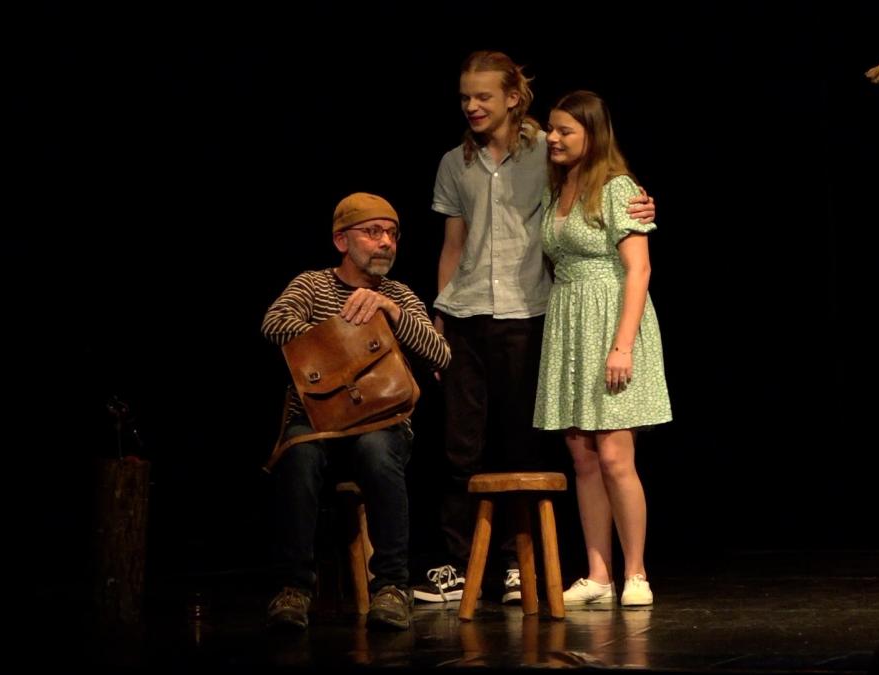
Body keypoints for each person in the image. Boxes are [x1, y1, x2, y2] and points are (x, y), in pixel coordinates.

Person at [415, 51, 656, 606]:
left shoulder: (546, 153)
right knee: (464, 446)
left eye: (483, 96)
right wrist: (440, 312)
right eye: (464, 98)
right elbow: (452, 246)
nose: (472, 106)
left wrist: (639, 202)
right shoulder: (459, 163)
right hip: (478, 314)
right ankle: (461, 563)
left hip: (537, 315)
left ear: (512, 99)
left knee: (531, 445)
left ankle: (523, 563)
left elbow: (604, 188)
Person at [261, 192, 451, 631]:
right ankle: (294, 588)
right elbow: (274, 323)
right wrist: (342, 338)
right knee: (300, 454)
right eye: (373, 232)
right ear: (342, 241)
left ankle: (391, 585)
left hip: (381, 421)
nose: (385, 242)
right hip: (319, 423)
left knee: (376, 450)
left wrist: (390, 312)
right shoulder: (312, 285)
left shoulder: (398, 293)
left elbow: (441, 355)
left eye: (392, 233)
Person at [533, 91, 671, 608]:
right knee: (583, 457)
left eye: (565, 130)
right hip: (569, 323)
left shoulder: (617, 189)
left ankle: (635, 572)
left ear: (592, 134)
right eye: (550, 129)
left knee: (615, 454)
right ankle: (598, 574)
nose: (553, 138)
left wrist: (622, 346)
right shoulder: (557, 188)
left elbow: (639, 269)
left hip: (613, 320)